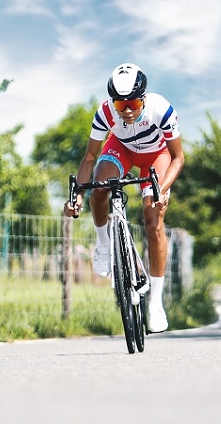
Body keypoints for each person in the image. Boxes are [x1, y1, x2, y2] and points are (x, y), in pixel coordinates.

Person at [64, 63, 185, 333]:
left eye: (133, 103)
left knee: (153, 221)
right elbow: (88, 159)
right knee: (99, 188)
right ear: (113, 102)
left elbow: (178, 157)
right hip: (122, 149)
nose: (127, 111)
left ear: (143, 98)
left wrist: (162, 189)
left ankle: (155, 302)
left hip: (156, 155)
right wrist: (77, 195)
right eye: (121, 105)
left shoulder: (161, 109)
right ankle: (104, 243)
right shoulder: (105, 112)